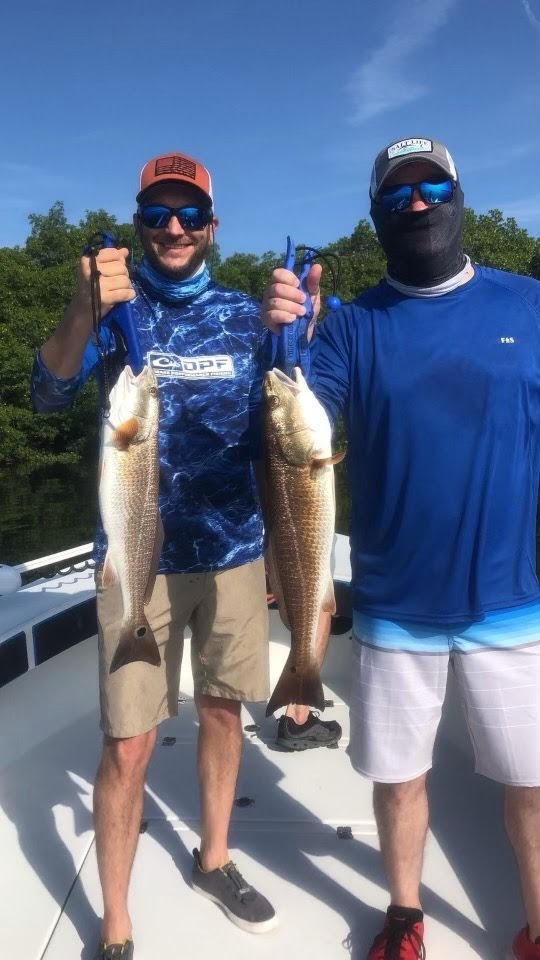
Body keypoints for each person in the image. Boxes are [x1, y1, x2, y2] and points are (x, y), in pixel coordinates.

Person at [260, 135, 540, 960]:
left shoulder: (528, 302)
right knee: (399, 778)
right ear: (376, 213)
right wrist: (282, 339)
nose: (414, 205)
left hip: (512, 598)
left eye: (429, 189)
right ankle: (406, 915)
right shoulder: (348, 326)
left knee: (532, 783)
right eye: (395, 195)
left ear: (458, 194)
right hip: (391, 602)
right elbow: (289, 428)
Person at [32, 151, 280, 960]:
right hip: (136, 558)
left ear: (211, 226)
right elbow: (47, 390)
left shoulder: (247, 316)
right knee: (128, 740)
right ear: (139, 224)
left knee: (220, 710)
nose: (173, 228)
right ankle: (115, 923)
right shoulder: (112, 312)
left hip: (236, 550)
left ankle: (214, 859)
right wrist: (80, 303)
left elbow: (282, 434)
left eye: (188, 214)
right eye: (157, 215)